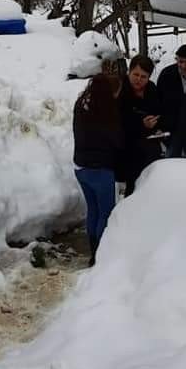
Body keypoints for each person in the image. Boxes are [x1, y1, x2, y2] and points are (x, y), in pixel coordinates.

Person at [73, 73, 123, 266]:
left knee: (92, 210)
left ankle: (93, 251)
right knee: (105, 212)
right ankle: (100, 255)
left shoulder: (82, 104)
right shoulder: (105, 111)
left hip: (81, 167)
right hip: (100, 169)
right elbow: (117, 140)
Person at [119, 53, 163, 195]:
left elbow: (159, 111)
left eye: (143, 77)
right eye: (135, 75)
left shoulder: (151, 89)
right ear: (129, 71)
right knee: (132, 185)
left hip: (150, 145)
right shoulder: (120, 89)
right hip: (127, 148)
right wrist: (141, 124)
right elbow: (119, 120)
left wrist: (157, 125)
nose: (138, 80)